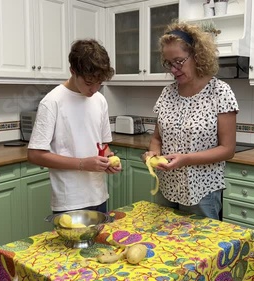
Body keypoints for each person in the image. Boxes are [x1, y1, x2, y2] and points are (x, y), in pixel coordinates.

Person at [143, 22, 239, 220]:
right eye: (169, 63)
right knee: (166, 242)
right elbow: (157, 139)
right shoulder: (167, 93)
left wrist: (186, 159)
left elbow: (227, 149)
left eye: (179, 61)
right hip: (167, 186)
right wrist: (153, 153)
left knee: (201, 248)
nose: (173, 69)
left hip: (203, 191)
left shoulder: (220, 92)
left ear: (197, 56)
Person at [27, 39, 121, 214]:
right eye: (88, 82)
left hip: (99, 195)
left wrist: (108, 160)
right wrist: (82, 164)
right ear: (72, 71)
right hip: (69, 200)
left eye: (99, 83)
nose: (94, 89)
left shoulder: (100, 100)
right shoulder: (52, 102)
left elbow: (102, 145)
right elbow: (34, 155)